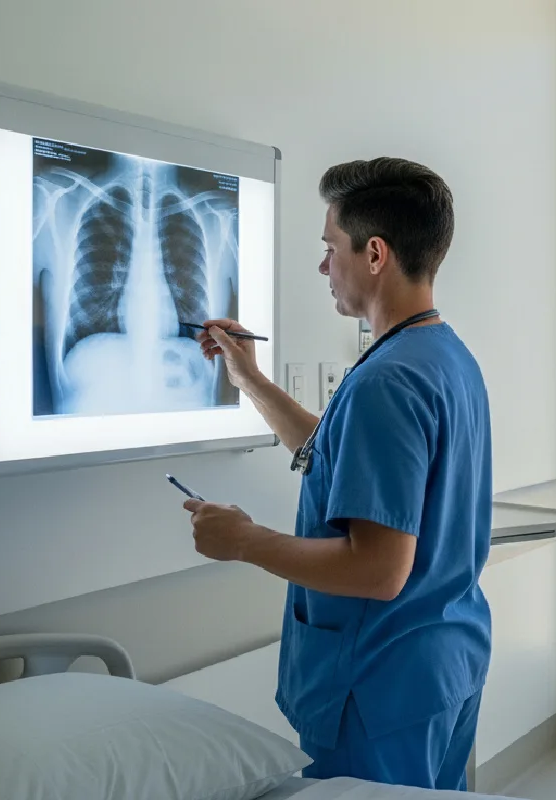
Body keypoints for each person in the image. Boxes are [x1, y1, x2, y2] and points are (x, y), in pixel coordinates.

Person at [181, 157, 492, 791]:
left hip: (378, 685)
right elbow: (336, 454)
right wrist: (250, 380)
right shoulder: (441, 356)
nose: (324, 266)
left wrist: (243, 541)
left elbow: (379, 570)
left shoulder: (387, 380)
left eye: (330, 248)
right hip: (441, 662)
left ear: (374, 253)